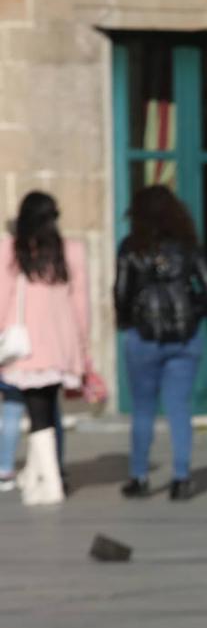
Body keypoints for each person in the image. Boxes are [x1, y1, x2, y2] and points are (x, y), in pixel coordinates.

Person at [114, 185, 207, 500]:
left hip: (143, 336)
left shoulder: (131, 248)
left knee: (143, 410)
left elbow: (121, 292)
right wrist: (194, 313)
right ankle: (181, 476)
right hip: (184, 337)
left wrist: (128, 320)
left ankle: (139, 476)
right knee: (179, 408)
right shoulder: (187, 247)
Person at [0, 192, 89, 506]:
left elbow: (2, 299)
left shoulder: (12, 251)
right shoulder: (70, 251)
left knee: (38, 415)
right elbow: (81, 305)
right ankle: (35, 479)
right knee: (47, 411)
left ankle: (50, 484)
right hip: (61, 347)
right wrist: (82, 349)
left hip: (27, 349)